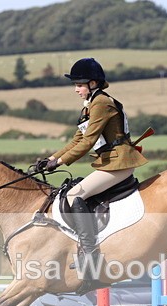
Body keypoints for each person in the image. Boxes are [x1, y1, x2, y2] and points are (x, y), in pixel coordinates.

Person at [37, 57, 148, 267]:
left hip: (119, 162)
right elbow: (77, 139)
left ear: (93, 83)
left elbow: (88, 141)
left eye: (79, 85)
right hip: (110, 162)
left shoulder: (101, 103)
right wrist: (50, 159)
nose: (76, 89)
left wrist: (60, 162)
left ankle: (90, 253)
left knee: (74, 195)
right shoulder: (90, 105)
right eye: (75, 85)